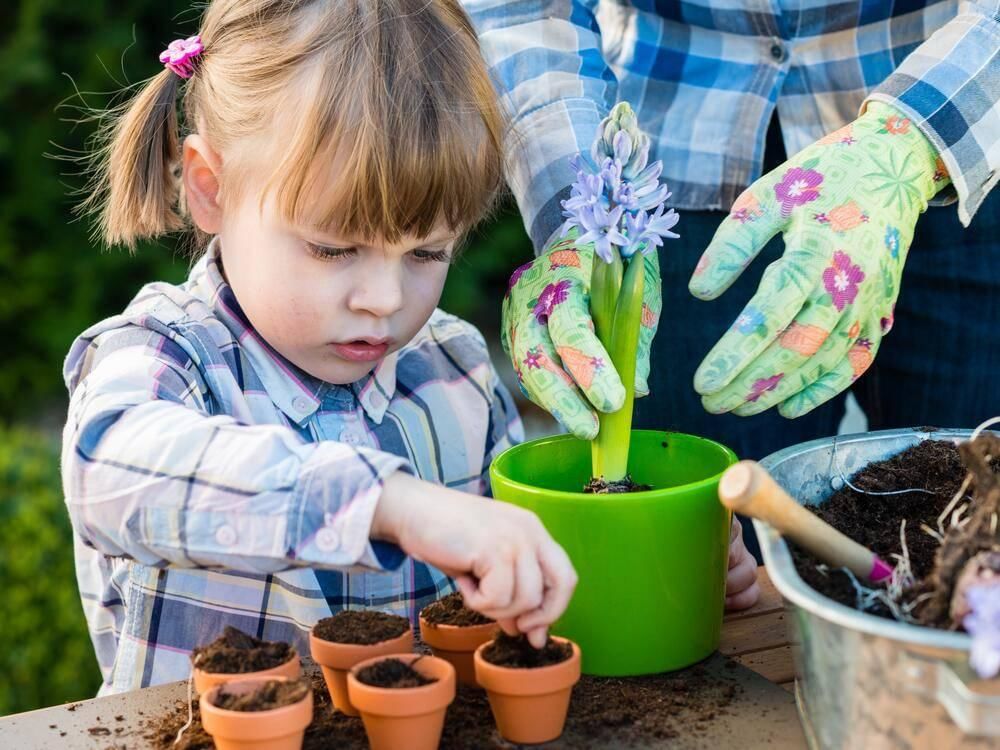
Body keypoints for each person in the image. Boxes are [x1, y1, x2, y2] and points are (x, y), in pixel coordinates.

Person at [62, 0, 581, 694]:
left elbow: (516, 571)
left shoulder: (453, 372)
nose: (385, 299)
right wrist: (390, 504)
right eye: (334, 248)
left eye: (428, 251)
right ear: (211, 190)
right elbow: (105, 467)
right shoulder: (167, 358)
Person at [467, 0, 1000, 561]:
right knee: (709, 559)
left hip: (957, 136)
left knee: (968, 528)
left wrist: (905, 146)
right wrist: (573, 213)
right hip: (674, 172)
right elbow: (521, 12)